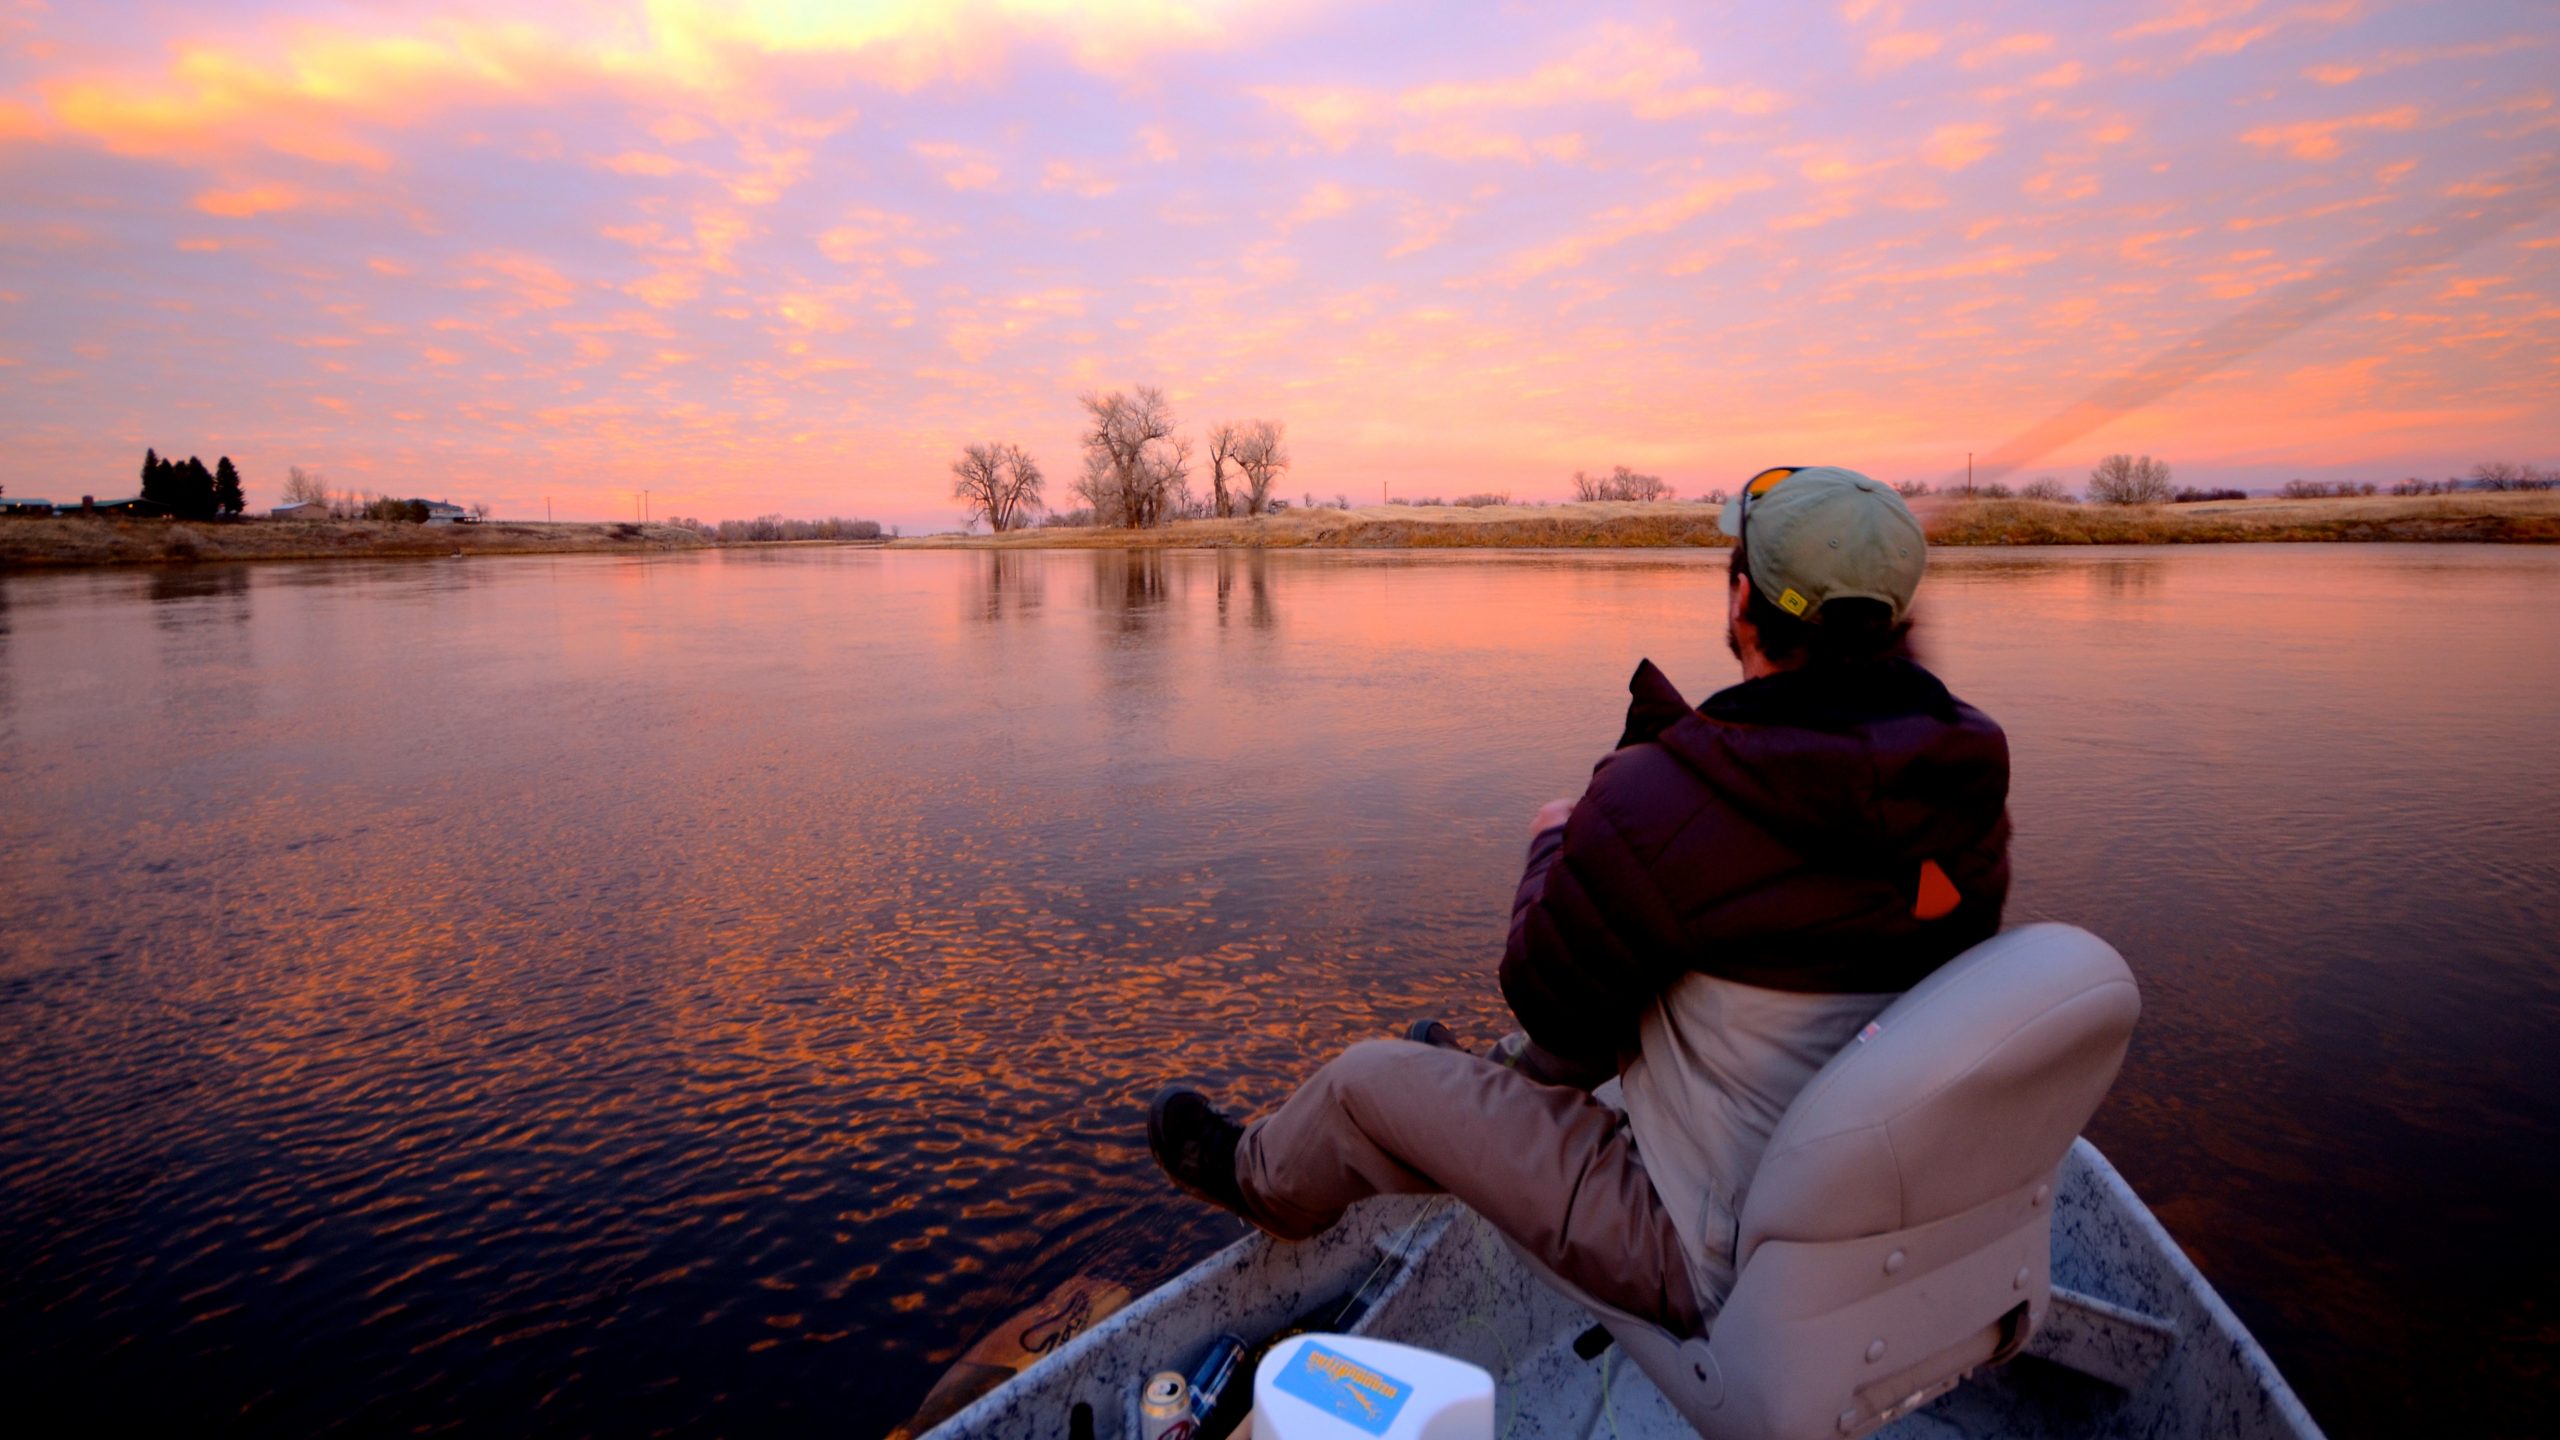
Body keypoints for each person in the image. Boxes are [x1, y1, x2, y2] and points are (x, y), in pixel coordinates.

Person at [1146, 466, 2011, 1335]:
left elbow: (1542, 991)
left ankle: (1262, 1182)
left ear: (1743, 598)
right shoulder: (1965, 779)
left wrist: (1560, 837)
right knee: (1614, 1001)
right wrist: (1665, 785)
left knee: (1366, 1082)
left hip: (1703, 1248)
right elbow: (1805, 836)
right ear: (1892, 621)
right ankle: (1478, 1082)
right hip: (1865, 1190)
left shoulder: (1669, 798)